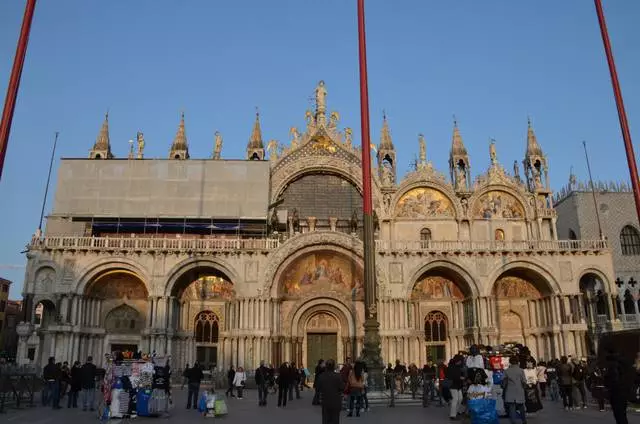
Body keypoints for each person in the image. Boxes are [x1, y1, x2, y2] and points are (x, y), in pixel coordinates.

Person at [604, 348, 633, 424]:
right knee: (622, 414)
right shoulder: (625, 364)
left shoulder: (613, 366)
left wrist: (607, 384)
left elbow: (612, 380)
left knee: (619, 415)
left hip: (616, 393)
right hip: (624, 391)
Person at [316, 359, 344, 424]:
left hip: (325, 402)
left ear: (326, 366)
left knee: (325, 420)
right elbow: (342, 387)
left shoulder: (321, 376)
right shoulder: (338, 376)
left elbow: (317, 389)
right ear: (334, 366)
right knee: (335, 420)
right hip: (336, 402)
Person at [503, 355, 527, 424]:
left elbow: (504, 382)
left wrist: (503, 388)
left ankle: (513, 422)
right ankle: (524, 421)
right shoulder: (521, 370)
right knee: (521, 407)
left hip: (510, 392)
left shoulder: (506, 371)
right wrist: (524, 389)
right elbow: (524, 382)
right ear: (517, 362)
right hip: (519, 391)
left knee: (512, 408)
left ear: (510, 362)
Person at [447, 354, 465, 420]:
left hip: (458, 385)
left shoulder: (459, 367)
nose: (462, 362)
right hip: (453, 385)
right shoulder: (451, 367)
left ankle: (456, 411)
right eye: (461, 360)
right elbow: (450, 376)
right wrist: (460, 378)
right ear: (458, 360)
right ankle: (453, 415)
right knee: (455, 399)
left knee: (460, 398)